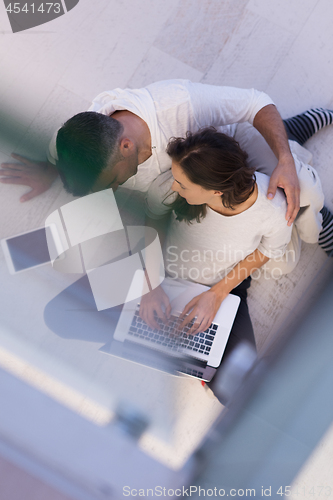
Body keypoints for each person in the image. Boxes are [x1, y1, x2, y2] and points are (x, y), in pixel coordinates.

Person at [139, 128, 325, 398]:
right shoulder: (174, 182)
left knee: (236, 392)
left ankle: (293, 141)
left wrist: (216, 294)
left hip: (224, 285)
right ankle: (286, 132)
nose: (172, 186)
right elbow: (153, 219)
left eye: (182, 185)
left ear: (215, 191)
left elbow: (267, 251)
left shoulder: (272, 210)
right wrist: (150, 284)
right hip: (166, 274)